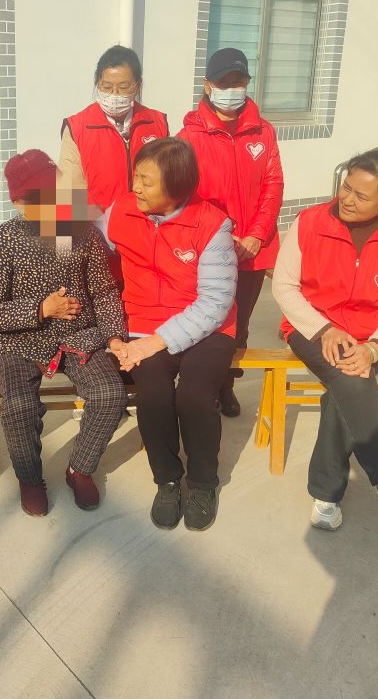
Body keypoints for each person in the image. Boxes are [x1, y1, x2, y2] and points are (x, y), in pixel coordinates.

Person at [272, 150, 378, 531]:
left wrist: (375, 347)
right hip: (310, 328)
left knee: (344, 389)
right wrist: (324, 329)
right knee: (353, 378)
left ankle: (326, 494)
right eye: (346, 187)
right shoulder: (310, 223)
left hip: (370, 336)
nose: (347, 199)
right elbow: (284, 287)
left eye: (362, 195)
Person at [0, 150, 128, 516]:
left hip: (78, 335)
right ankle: (30, 478)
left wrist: (114, 335)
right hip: (19, 341)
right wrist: (41, 309)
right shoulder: (2, 240)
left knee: (109, 394)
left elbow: (104, 290)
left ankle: (80, 469)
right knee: (20, 407)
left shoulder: (81, 231)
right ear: (19, 203)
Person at [103, 137, 238, 532]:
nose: (136, 187)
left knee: (195, 395)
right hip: (143, 320)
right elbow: (75, 239)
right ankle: (167, 479)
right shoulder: (121, 210)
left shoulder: (211, 224)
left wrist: (153, 343)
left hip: (208, 327)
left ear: (177, 187)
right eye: (136, 177)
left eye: (146, 181)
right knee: (154, 394)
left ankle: (203, 483)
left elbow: (215, 302)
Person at [178, 47, 284, 418]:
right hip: (210, 247)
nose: (232, 89)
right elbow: (184, 194)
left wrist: (256, 234)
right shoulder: (189, 135)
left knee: (240, 324)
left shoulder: (263, 131)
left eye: (239, 81)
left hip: (254, 248)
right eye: (224, 82)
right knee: (209, 319)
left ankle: (227, 384)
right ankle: (203, 385)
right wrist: (221, 237)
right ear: (208, 85)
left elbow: (273, 184)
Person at [59, 45, 169, 213]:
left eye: (123, 87)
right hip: (100, 225)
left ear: (137, 85)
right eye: (107, 87)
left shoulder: (157, 123)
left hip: (148, 223)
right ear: (97, 84)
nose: (115, 94)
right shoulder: (77, 128)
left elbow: (168, 181)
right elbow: (70, 193)